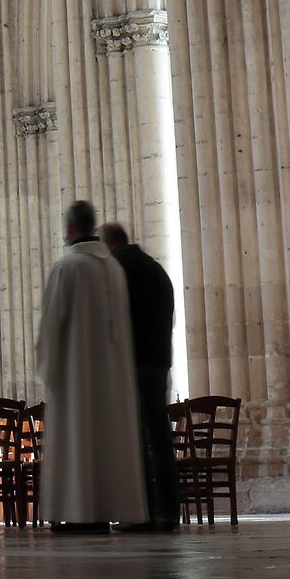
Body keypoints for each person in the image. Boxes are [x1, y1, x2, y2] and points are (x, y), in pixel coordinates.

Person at [33, 200, 146, 532]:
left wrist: (47, 369)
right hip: (112, 378)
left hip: (76, 377)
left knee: (79, 439)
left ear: (70, 230)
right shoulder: (112, 267)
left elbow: (51, 325)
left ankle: (80, 513)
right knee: (106, 441)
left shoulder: (67, 269)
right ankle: (104, 509)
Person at [101, 222, 179, 530]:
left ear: (108, 246)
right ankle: (168, 512)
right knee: (159, 437)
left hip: (133, 364)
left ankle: (144, 513)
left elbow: (112, 320)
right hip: (158, 362)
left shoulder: (120, 269)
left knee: (137, 439)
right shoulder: (155, 269)